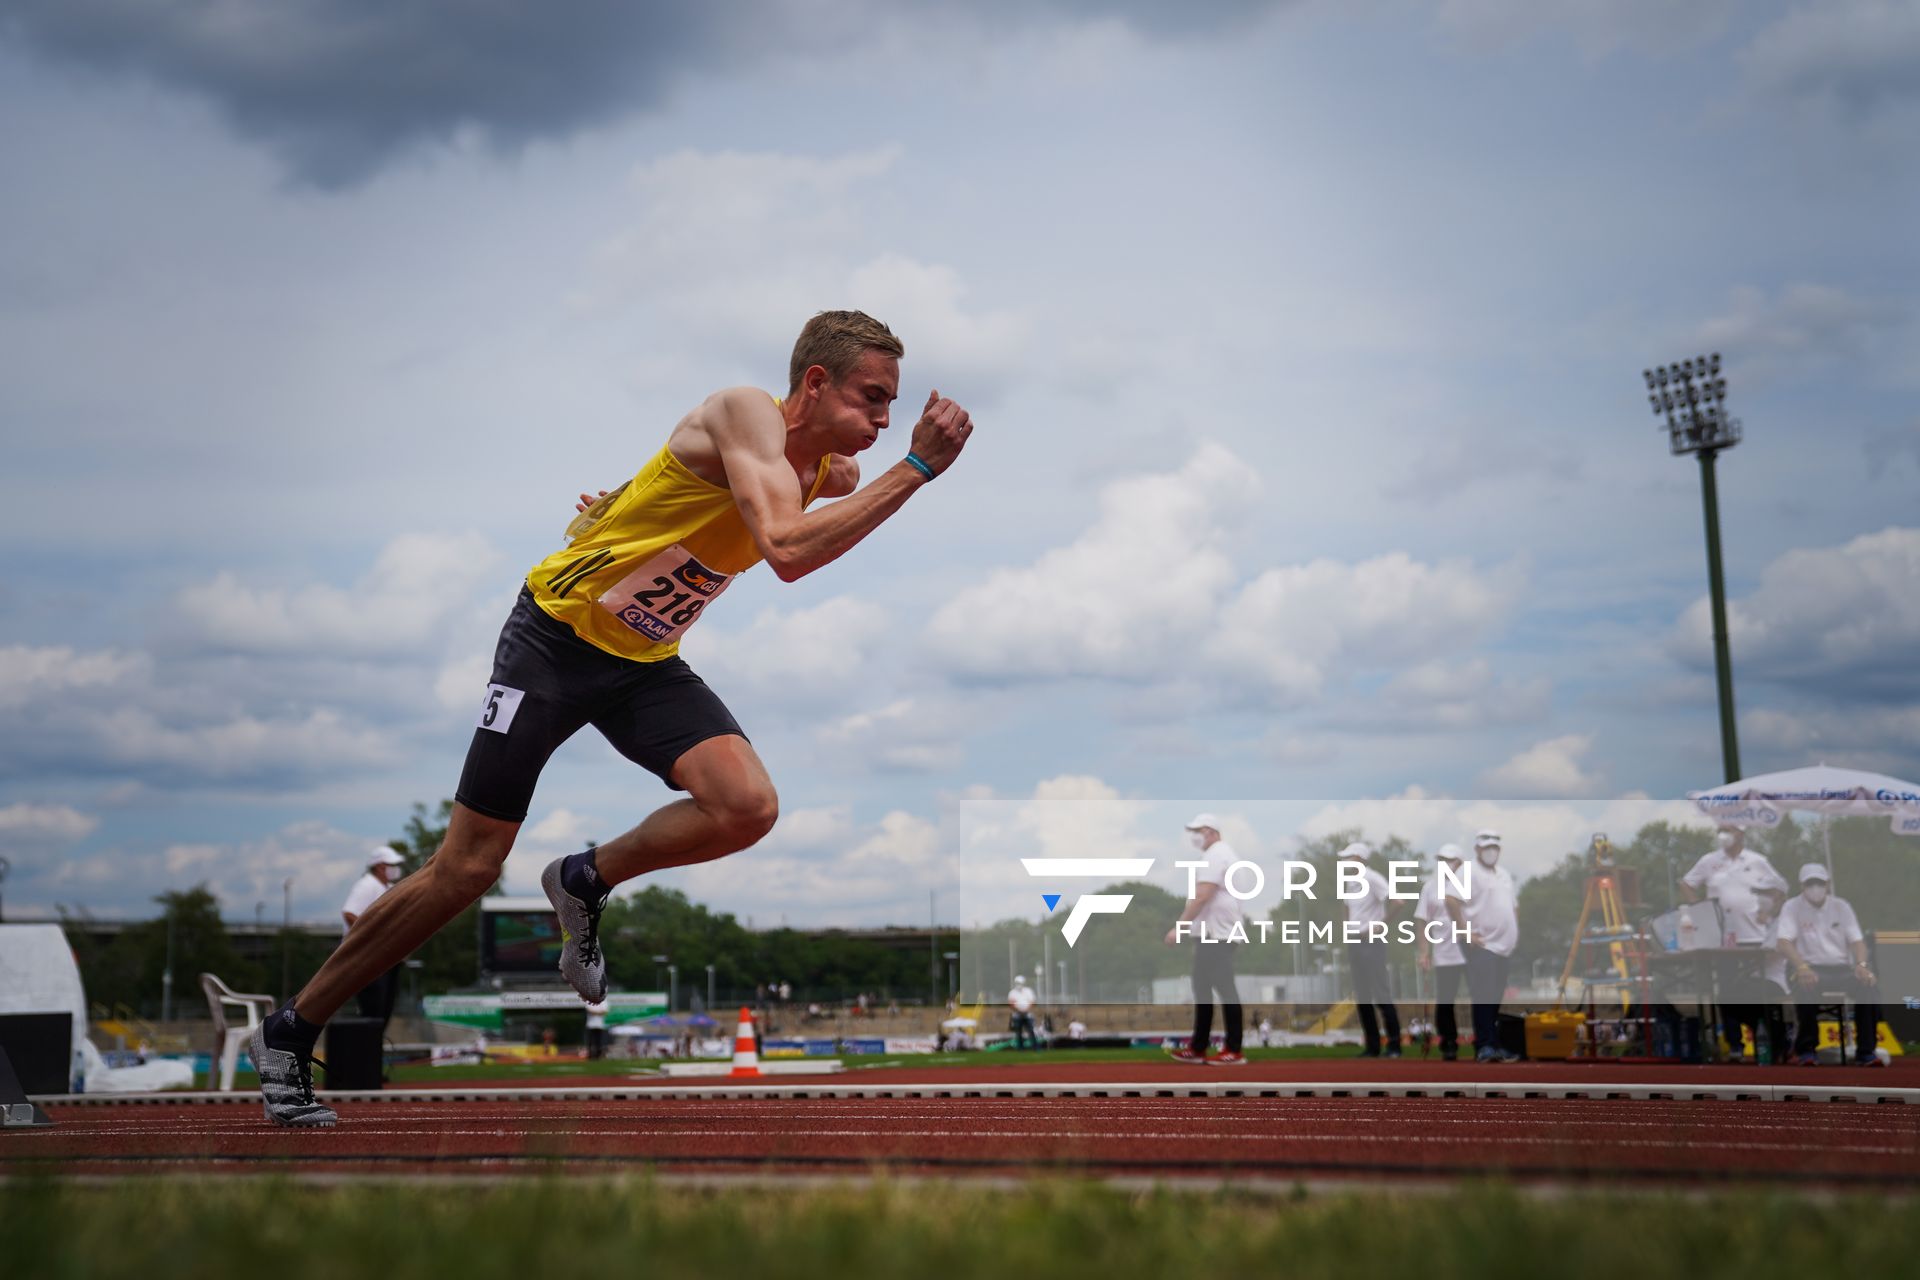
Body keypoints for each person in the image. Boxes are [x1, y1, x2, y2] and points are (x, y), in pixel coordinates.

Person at [252, 311, 975, 1127]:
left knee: (746, 807)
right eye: (871, 399)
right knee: (466, 869)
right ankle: (290, 1028)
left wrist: (625, 505)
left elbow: (715, 491)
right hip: (553, 646)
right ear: (813, 382)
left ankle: (586, 877)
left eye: (892, 408)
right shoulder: (745, 410)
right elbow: (786, 549)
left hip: (642, 661)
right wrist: (916, 465)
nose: (882, 420)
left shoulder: (830, 471)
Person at [1680, 824, 1789, 1061]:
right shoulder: (1709, 861)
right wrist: (1702, 910)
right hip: (1723, 940)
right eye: (1720, 830)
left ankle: (1771, 1037)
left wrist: (1769, 913)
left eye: (1728, 830)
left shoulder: (1758, 860)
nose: (1723, 835)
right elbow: (1687, 883)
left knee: (1754, 990)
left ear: (1741, 833)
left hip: (1756, 938)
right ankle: (1735, 1045)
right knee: (1727, 991)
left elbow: (1781, 887)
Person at [1776, 864, 1882, 1066]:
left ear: (1828, 884)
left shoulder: (1841, 906)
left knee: (1868, 985)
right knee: (1805, 986)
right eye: (1810, 883)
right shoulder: (1792, 907)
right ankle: (1806, 1049)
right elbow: (1784, 942)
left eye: (1819, 882)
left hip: (1840, 969)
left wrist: (1861, 964)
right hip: (1807, 967)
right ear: (1802, 886)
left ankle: (1866, 1051)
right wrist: (1801, 967)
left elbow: (1857, 941)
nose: (1815, 887)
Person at [1165, 814, 1247, 1065]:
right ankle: (1199, 1045)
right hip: (1213, 932)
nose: (1194, 836)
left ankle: (1233, 1049)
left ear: (1211, 831)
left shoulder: (1216, 856)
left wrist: (1179, 927)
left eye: (1198, 830)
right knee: (1202, 988)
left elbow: (1203, 896)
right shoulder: (1221, 855)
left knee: (1223, 988)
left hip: (1217, 933)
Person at [1447, 830, 1519, 1063]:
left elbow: (1512, 905)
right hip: (1482, 944)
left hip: (1503, 946)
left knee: (1495, 997)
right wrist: (1465, 931)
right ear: (1477, 849)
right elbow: (1451, 899)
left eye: (1495, 847)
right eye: (1487, 847)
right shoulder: (1468, 870)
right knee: (1483, 995)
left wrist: (1513, 931)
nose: (1492, 851)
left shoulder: (1504, 874)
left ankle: (1493, 1043)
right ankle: (1485, 1046)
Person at [1339, 841, 1401, 1058]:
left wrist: (1381, 924)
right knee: (1362, 995)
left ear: (1360, 858)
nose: (1345, 862)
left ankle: (1394, 1044)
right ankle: (1372, 1045)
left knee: (1381, 992)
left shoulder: (1372, 878)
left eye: (1350, 857)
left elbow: (1398, 901)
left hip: (1372, 941)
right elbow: (1348, 907)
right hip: (1355, 941)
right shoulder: (1350, 882)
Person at [339, 848, 406, 1032]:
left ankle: (374, 1052)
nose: (395, 869)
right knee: (373, 1010)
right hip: (369, 957)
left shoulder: (387, 888)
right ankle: (366, 1053)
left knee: (383, 1011)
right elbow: (349, 913)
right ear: (379, 866)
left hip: (385, 958)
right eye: (391, 865)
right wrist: (372, 939)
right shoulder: (367, 885)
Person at [1416, 844, 1469, 1061]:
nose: (1445, 864)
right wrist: (1423, 952)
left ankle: (1487, 1040)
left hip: (1472, 950)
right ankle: (1449, 1042)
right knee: (1446, 999)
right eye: (1441, 860)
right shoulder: (1430, 887)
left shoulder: (1472, 885)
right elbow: (1421, 920)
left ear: (1461, 863)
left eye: (1450, 860)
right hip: (1445, 952)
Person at [1007, 975, 1038, 1050]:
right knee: (1018, 1033)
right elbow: (1011, 1003)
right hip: (1017, 1016)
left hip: (1027, 1015)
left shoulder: (1028, 991)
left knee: (1031, 1031)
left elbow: (1032, 1001)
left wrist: (1026, 1010)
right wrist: (1019, 1010)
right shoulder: (1012, 992)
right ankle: (1020, 1048)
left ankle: (1035, 1047)